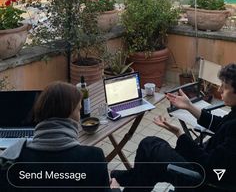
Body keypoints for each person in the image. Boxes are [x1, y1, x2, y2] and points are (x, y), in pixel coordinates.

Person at [111, 63, 236, 191]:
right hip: (204, 163)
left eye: (224, 87)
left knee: (149, 145)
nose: (220, 90)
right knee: (150, 161)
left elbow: (209, 166)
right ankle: (127, 177)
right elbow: (219, 124)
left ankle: (125, 177)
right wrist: (189, 106)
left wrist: (180, 134)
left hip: (201, 179)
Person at [0, 81, 120, 192]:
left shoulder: (13, 158)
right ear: (70, 115)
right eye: (79, 110)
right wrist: (114, 189)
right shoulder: (93, 157)